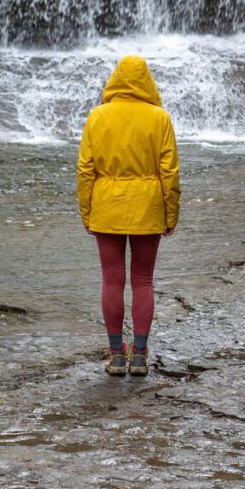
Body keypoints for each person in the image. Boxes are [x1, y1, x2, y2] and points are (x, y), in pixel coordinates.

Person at [77, 55, 180, 377]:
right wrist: (171, 213)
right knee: (143, 281)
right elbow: (170, 172)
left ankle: (115, 354)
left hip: (107, 204)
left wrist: (87, 212)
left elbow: (85, 170)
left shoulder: (97, 116)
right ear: (147, 81)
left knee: (111, 280)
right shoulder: (159, 117)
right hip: (148, 206)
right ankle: (139, 355)